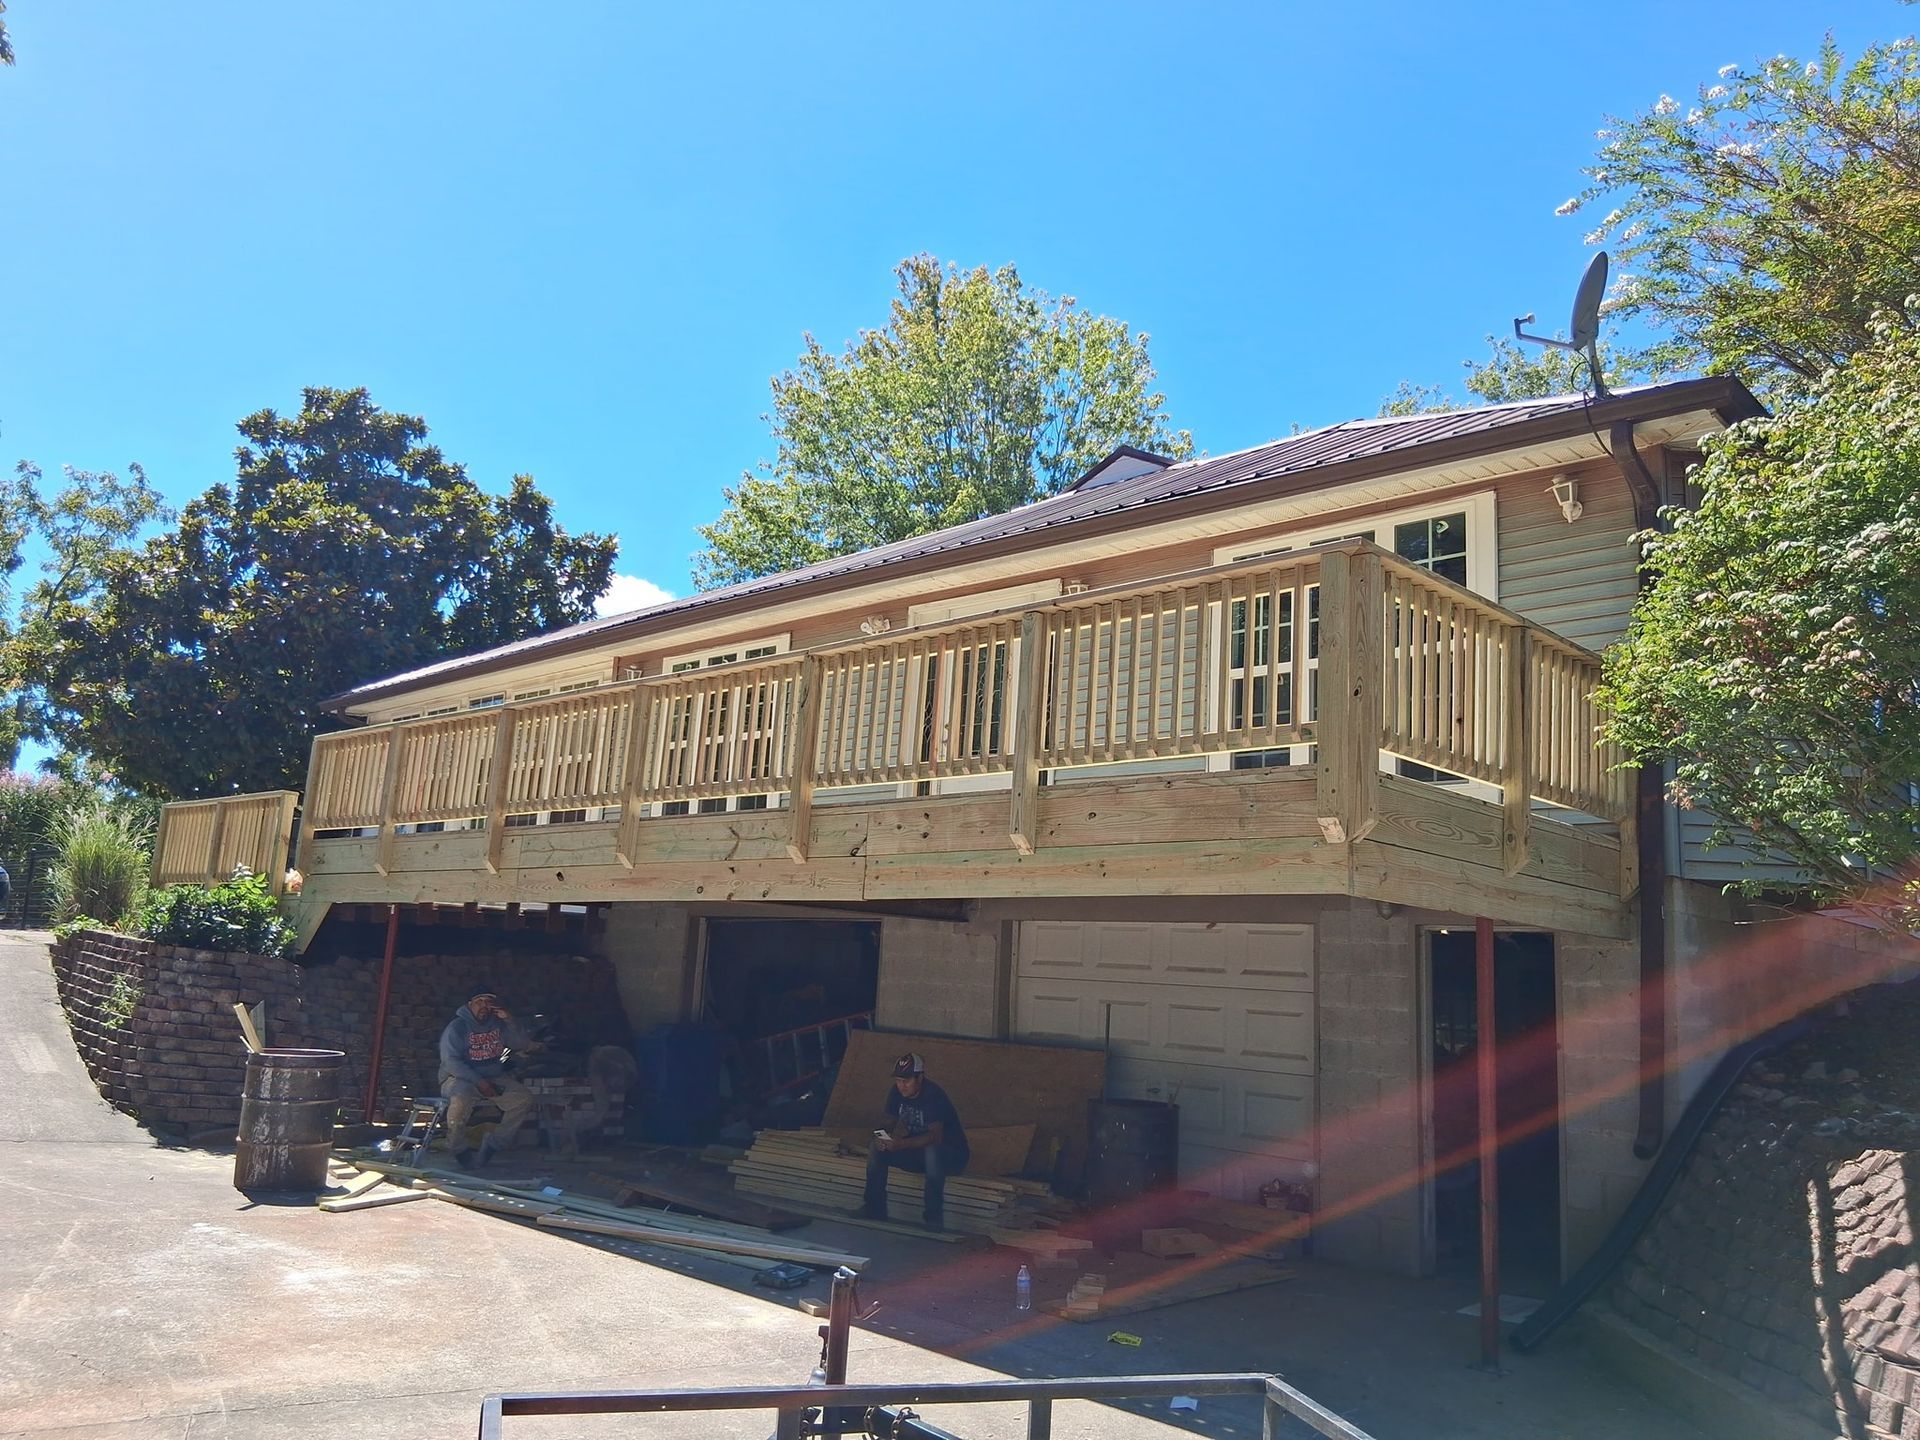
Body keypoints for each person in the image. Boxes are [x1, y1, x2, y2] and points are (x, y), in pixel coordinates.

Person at [859, 1052, 969, 1231]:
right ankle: (874, 1209)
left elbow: (935, 1137)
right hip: (919, 1153)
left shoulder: (934, 1095)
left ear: (920, 1078)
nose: (902, 1085)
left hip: (951, 1155)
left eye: (907, 1080)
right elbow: (887, 1122)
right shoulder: (896, 1092)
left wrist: (900, 1144)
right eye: (899, 1080)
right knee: (876, 1148)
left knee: (932, 1152)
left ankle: (933, 1219)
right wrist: (881, 1137)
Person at [438, 986, 535, 1168]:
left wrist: (510, 1021)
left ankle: (494, 1144)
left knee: (523, 1099)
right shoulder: (457, 1027)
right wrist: (479, 1082)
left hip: (494, 1077)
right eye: (479, 1001)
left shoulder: (498, 1025)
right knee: (460, 1100)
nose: (484, 1006)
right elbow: (451, 1062)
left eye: (488, 1002)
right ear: (469, 1005)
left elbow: (521, 1044)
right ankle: (457, 1147)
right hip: (460, 1078)